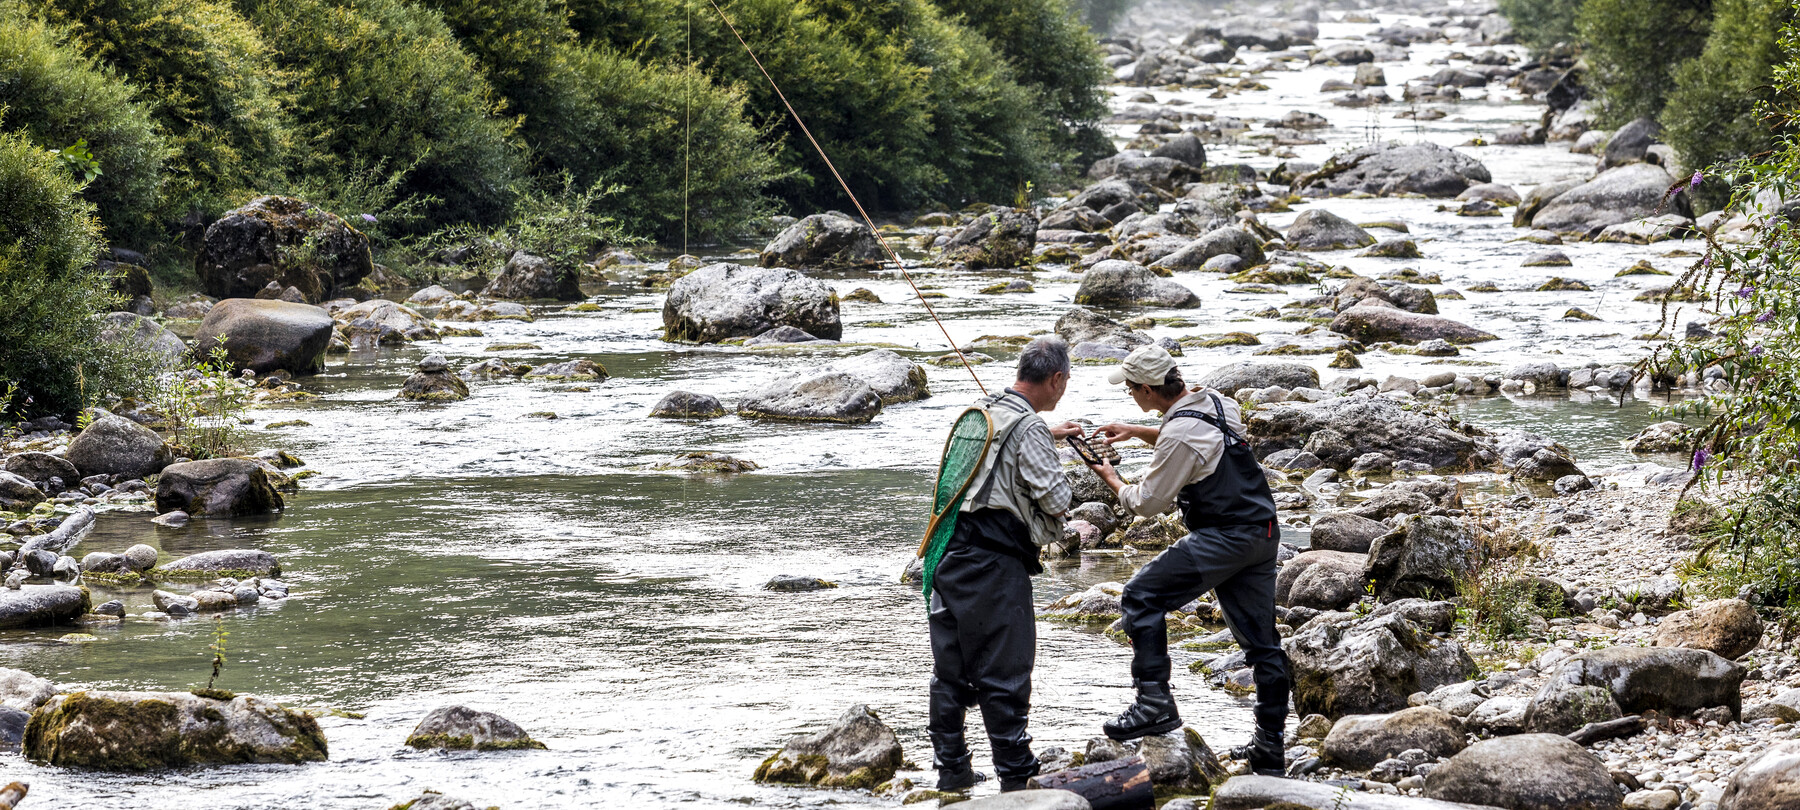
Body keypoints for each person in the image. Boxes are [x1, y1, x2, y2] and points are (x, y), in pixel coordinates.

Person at [1082, 345, 1289, 776]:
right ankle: (1270, 749)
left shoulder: (1178, 433)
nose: (1130, 398)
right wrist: (1138, 431)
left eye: (1131, 392)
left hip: (1224, 538)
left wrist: (1111, 479)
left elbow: (1146, 504)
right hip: (1262, 533)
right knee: (1262, 646)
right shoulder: (1217, 401)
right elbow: (1202, 440)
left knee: (1140, 597)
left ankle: (1154, 704)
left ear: (1145, 389)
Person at [927, 336, 1079, 792]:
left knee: (950, 672)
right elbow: (1056, 499)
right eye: (1065, 382)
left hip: (949, 556)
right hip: (994, 564)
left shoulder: (984, 412)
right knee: (1005, 670)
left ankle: (951, 770)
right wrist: (1053, 451)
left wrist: (1044, 434)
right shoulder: (1028, 427)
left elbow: (992, 454)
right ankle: (1017, 776)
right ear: (1055, 379)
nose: (1064, 389)